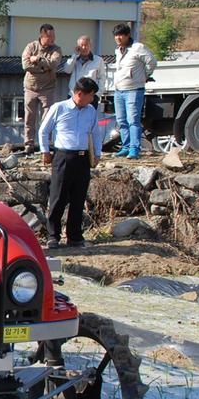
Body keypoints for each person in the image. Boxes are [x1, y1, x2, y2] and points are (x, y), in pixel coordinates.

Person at [39, 77, 103, 250]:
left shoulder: (90, 110)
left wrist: (97, 153)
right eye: (91, 95)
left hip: (83, 158)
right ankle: (53, 236)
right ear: (79, 94)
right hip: (63, 156)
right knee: (58, 197)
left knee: (78, 197)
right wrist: (45, 151)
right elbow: (44, 130)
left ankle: (74, 236)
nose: (92, 99)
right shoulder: (59, 108)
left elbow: (96, 133)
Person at [112, 23, 157, 159]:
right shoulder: (118, 50)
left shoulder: (138, 47)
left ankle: (134, 148)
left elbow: (152, 61)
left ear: (127, 35)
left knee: (133, 120)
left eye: (121, 35)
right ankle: (125, 147)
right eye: (116, 35)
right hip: (119, 90)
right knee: (121, 120)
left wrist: (145, 76)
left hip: (134, 90)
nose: (118, 38)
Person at [21, 23, 63, 154]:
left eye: (54, 35)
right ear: (42, 36)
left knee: (47, 118)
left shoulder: (56, 49)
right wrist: (44, 68)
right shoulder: (31, 46)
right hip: (30, 88)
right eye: (50, 36)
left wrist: (38, 59)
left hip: (48, 88)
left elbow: (54, 63)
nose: (53, 39)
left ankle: (44, 144)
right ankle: (29, 144)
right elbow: (25, 65)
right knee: (29, 118)